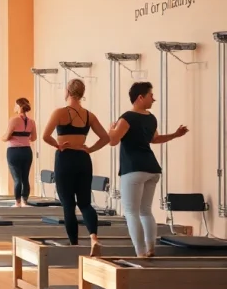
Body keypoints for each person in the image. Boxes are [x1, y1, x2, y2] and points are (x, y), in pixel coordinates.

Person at [107, 81, 188, 257]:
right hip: (152, 169)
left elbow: (113, 140)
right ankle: (150, 248)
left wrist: (111, 129)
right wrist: (175, 135)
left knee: (131, 212)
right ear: (140, 97)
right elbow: (155, 139)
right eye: (151, 95)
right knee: (145, 211)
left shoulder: (127, 117)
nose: (154, 99)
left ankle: (141, 252)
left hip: (134, 169)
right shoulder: (150, 118)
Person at [40, 78, 110, 256]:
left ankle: (74, 244)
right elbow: (105, 138)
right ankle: (94, 238)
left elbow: (45, 136)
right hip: (83, 158)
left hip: (65, 158)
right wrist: (90, 149)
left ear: (68, 92)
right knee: (85, 203)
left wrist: (57, 145)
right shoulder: (89, 115)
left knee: (68, 204)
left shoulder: (59, 112)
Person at [2, 97, 37, 207]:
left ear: (19, 107)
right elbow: (34, 138)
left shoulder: (14, 120)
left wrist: (2, 137)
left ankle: (17, 203)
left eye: (15, 105)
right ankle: (24, 201)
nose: (14, 107)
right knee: (25, 178)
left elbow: (6, 137)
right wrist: (24, 137)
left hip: (14, 152)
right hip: (27, 151)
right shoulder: (32, 122)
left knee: (17, 179)